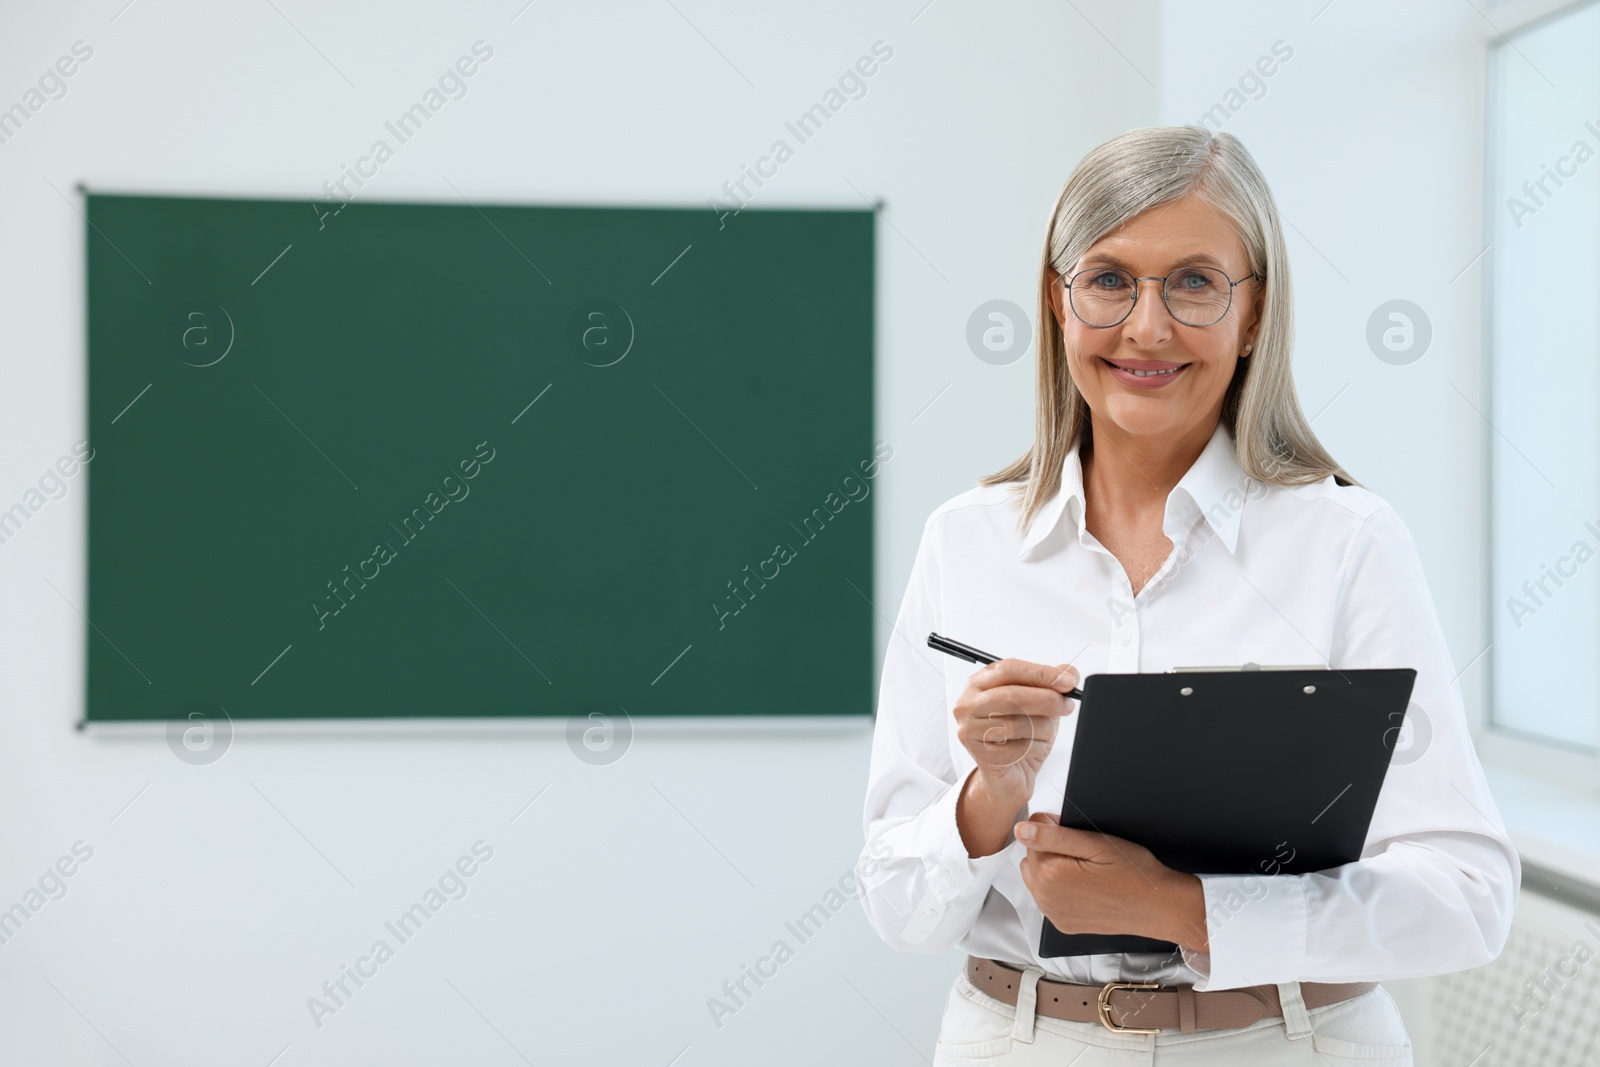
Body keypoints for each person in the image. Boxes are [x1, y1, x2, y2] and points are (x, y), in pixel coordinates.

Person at [855, 125, 1519, 1065]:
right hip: (1019, 1040)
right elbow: (895, 905)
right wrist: (988, 793)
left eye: (1196, 282)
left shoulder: (1347, 542)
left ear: (1254, 316)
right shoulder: (966, 542)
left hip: (1293, 1041)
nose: (1147, 328)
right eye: (1110, 279)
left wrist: (1177, 906)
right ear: (1058, 301)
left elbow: (1468, 894)